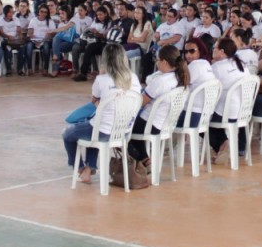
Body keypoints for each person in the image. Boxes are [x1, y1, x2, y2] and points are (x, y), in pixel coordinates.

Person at [62, 44, 141, 185]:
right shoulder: (134, 78)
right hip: (123, 130)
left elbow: (95, 100)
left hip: (104, 130)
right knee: (95, 126)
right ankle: (89, 167)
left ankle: (80, 168)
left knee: (68, 134)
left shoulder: (101, 80)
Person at [127, 45, 188, 176]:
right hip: (165, 123)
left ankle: (140, 161)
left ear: (165, 62)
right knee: (133, 127)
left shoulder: (161, 81)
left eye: (157, 59)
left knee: (120, 130)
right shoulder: (180, 78)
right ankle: (145, 160)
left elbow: (140, 102)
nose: (156, 62)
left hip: (151, 123)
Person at [208, 37, 249, 161]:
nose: (213, 50)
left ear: (221, 52)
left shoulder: (217, 68)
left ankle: (222, 145)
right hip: (243, 111)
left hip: (226, 112)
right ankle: (228, 146)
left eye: (215, 48)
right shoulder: (241, 64)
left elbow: (209, 90)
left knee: (200, 120)